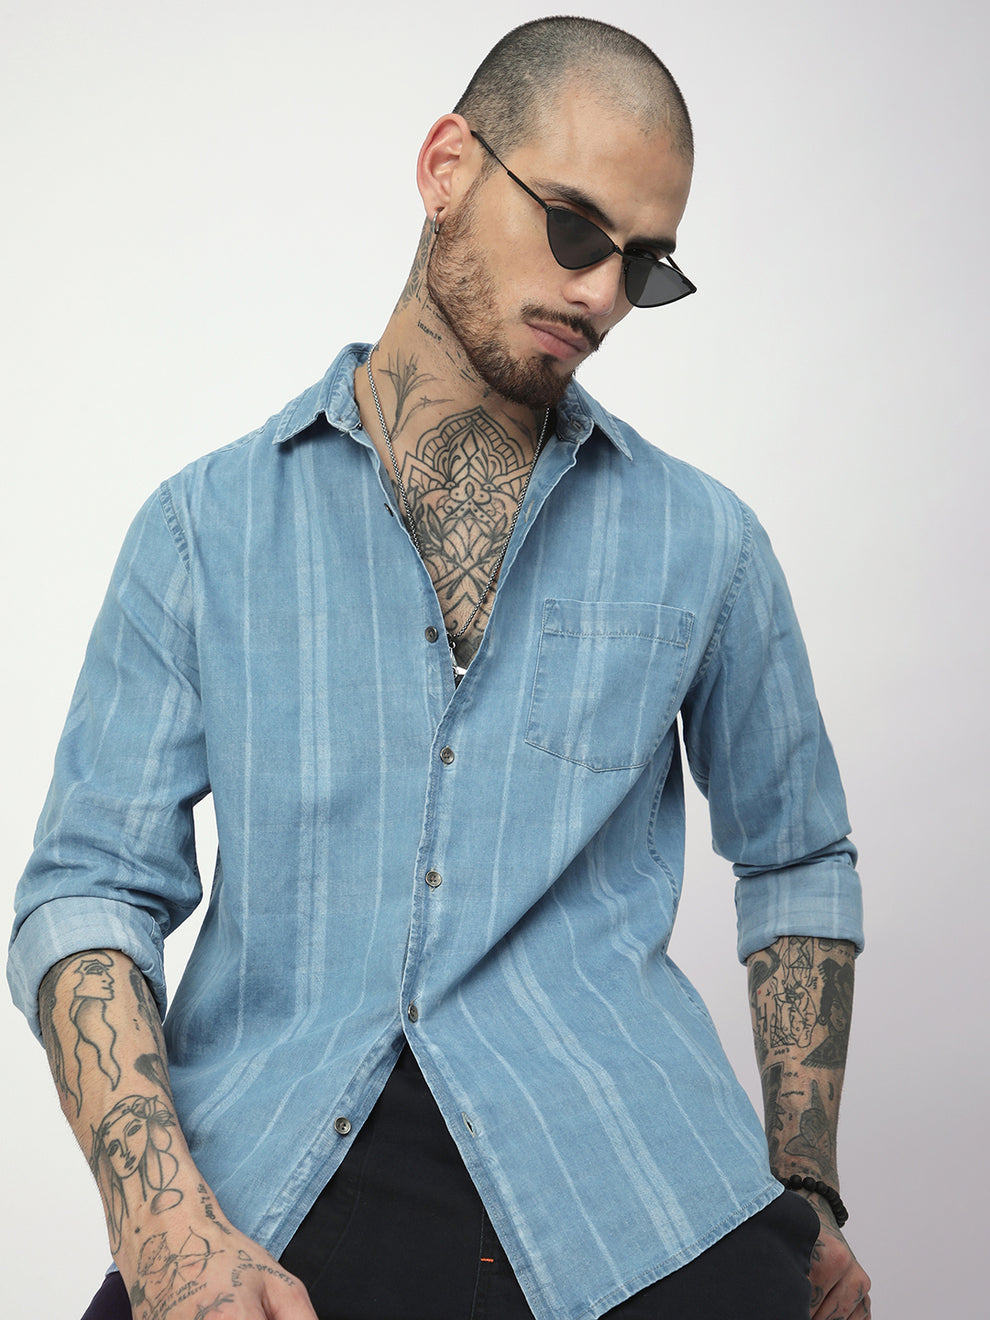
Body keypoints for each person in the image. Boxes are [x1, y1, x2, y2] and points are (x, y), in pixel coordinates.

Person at [7, 16, 871, 1320]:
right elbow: (87, 890)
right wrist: (165, 1223)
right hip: (275, 1171)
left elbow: (797, 854)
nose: (600, 294)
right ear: (446, 167)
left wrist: (805, 1189)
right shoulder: (203, 531)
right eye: (575, 229)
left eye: (642, 267)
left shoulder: (706, 542)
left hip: (638, 1186)